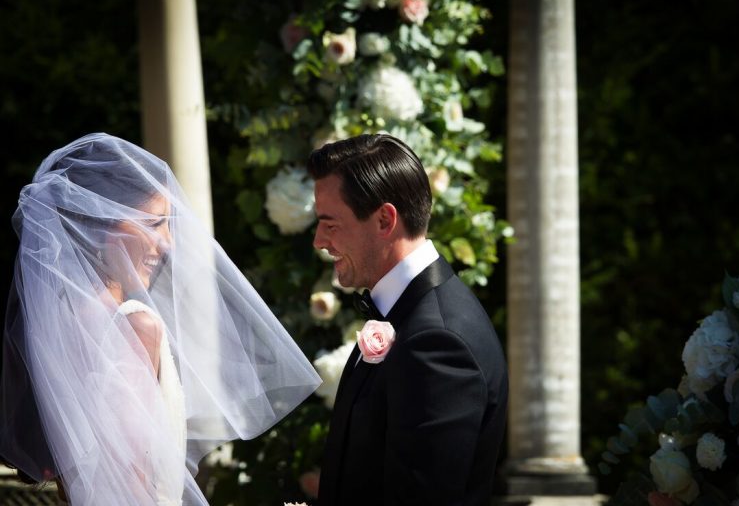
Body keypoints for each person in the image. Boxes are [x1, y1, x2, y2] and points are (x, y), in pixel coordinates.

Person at [0, 133, 321, 505]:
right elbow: (134, 476)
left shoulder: (58, 322)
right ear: (100, 224)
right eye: (154, 223)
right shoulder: (134, 326)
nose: (168, 242)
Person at [308, 133, 509, 506]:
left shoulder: (437, 342)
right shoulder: (408, 316)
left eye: (330, 224)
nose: (319, 240)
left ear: (385, 220)